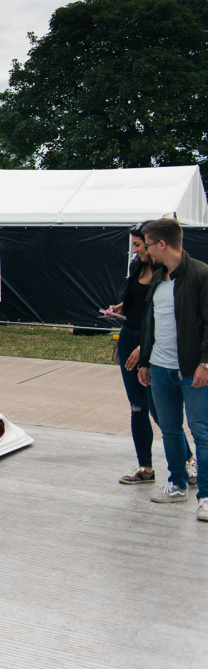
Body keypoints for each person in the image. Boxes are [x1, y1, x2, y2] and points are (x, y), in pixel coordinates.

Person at [110, 223, 194, 485]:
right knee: (137, 407)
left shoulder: (167, 272)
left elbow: (166, 316)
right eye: (135, 245)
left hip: (152, 344)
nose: (136, 250)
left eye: (139, 245)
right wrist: (121, 308)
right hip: (129, 338)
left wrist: (144, 348)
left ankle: (189, 462)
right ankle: (145, 467)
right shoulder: (137, 266)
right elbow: (140, 303)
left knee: (161, 413)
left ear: (153, 243)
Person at [136, 218, 208, 520]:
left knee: (201, 432)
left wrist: (205, 363)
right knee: (169, 430)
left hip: (192, 369)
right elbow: (151, 322)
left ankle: (205, 496)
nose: (145, 250)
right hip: (160, 367)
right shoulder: (157, 277)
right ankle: (177, 484)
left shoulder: (201, 275)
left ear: (162, 244)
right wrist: (145, 360)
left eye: (147, 245)